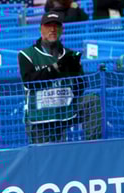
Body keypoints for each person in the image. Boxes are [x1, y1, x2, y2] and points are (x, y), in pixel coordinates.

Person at [17, 11, 101, 144]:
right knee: (47, 157)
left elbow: (80, 89)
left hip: (67, 106)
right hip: (42, 113)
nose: (53, 29)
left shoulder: (70, 55)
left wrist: (75, 74)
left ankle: (94, 146)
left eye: (56, 25)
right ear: (41, 29)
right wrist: (56, 68)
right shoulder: (27, 54)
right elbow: (29, 82)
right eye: (48, 25)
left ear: (62, 30)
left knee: (91, 101)